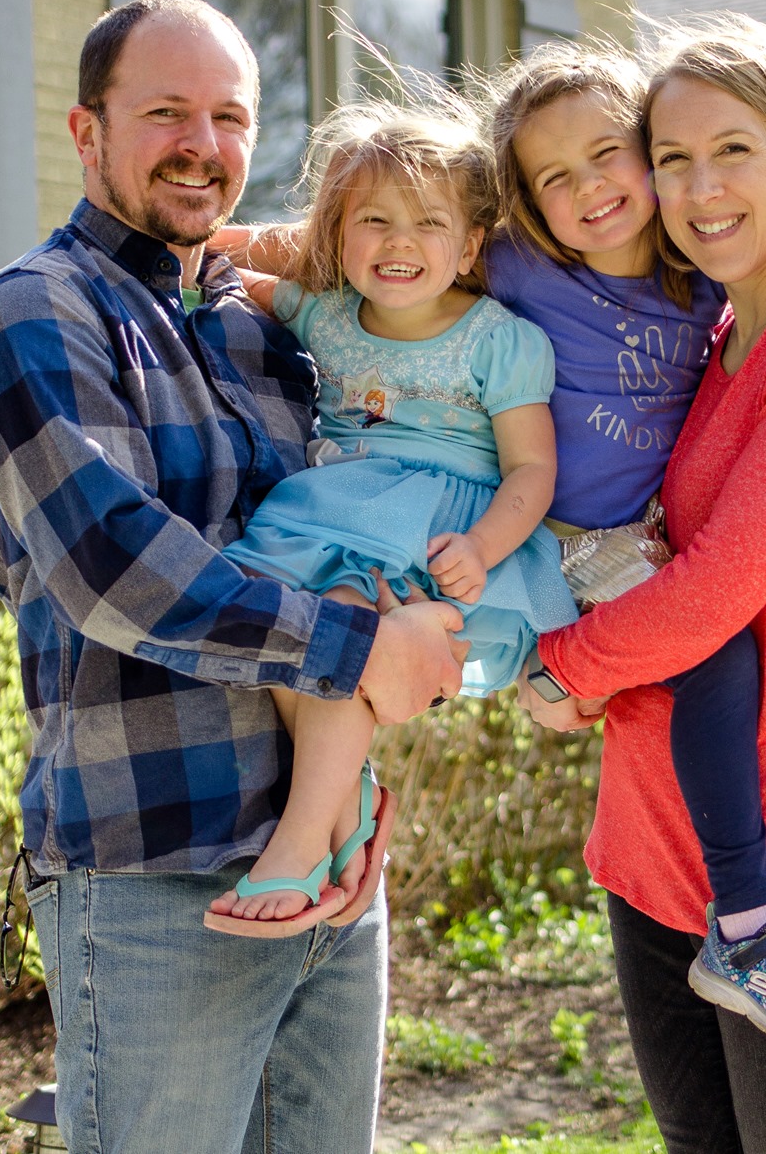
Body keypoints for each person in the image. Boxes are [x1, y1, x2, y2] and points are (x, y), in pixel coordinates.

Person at [0, 0, 468, 1154]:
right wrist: (369, 651)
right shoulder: (34, 314)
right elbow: (116, 570)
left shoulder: (266, 331)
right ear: (87, 132)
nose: (203, 144)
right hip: (157, 870)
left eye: (230, 116)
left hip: (328, 862)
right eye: (166, 112)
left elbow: (464, 286)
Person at [524, 14, 766, 1154]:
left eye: (733, 150)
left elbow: (715, 591)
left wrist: (559, 671)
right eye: (670, 157)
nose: (700, 188)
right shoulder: (703, 339)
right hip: (651, 852)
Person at [202, 96, 579, 933]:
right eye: (373, 219)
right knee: (305, 635)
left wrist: (482, 548)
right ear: (336, 235)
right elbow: (222, 254)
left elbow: (533, 469)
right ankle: (344, 812)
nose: (399, 242)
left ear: (471, 244)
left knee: (338, 638)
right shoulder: (323, 314)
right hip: (337, 520)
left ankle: (299, 845)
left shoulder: (498, 341)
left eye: (427, 223)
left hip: (445, 541)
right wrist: (189, 244)